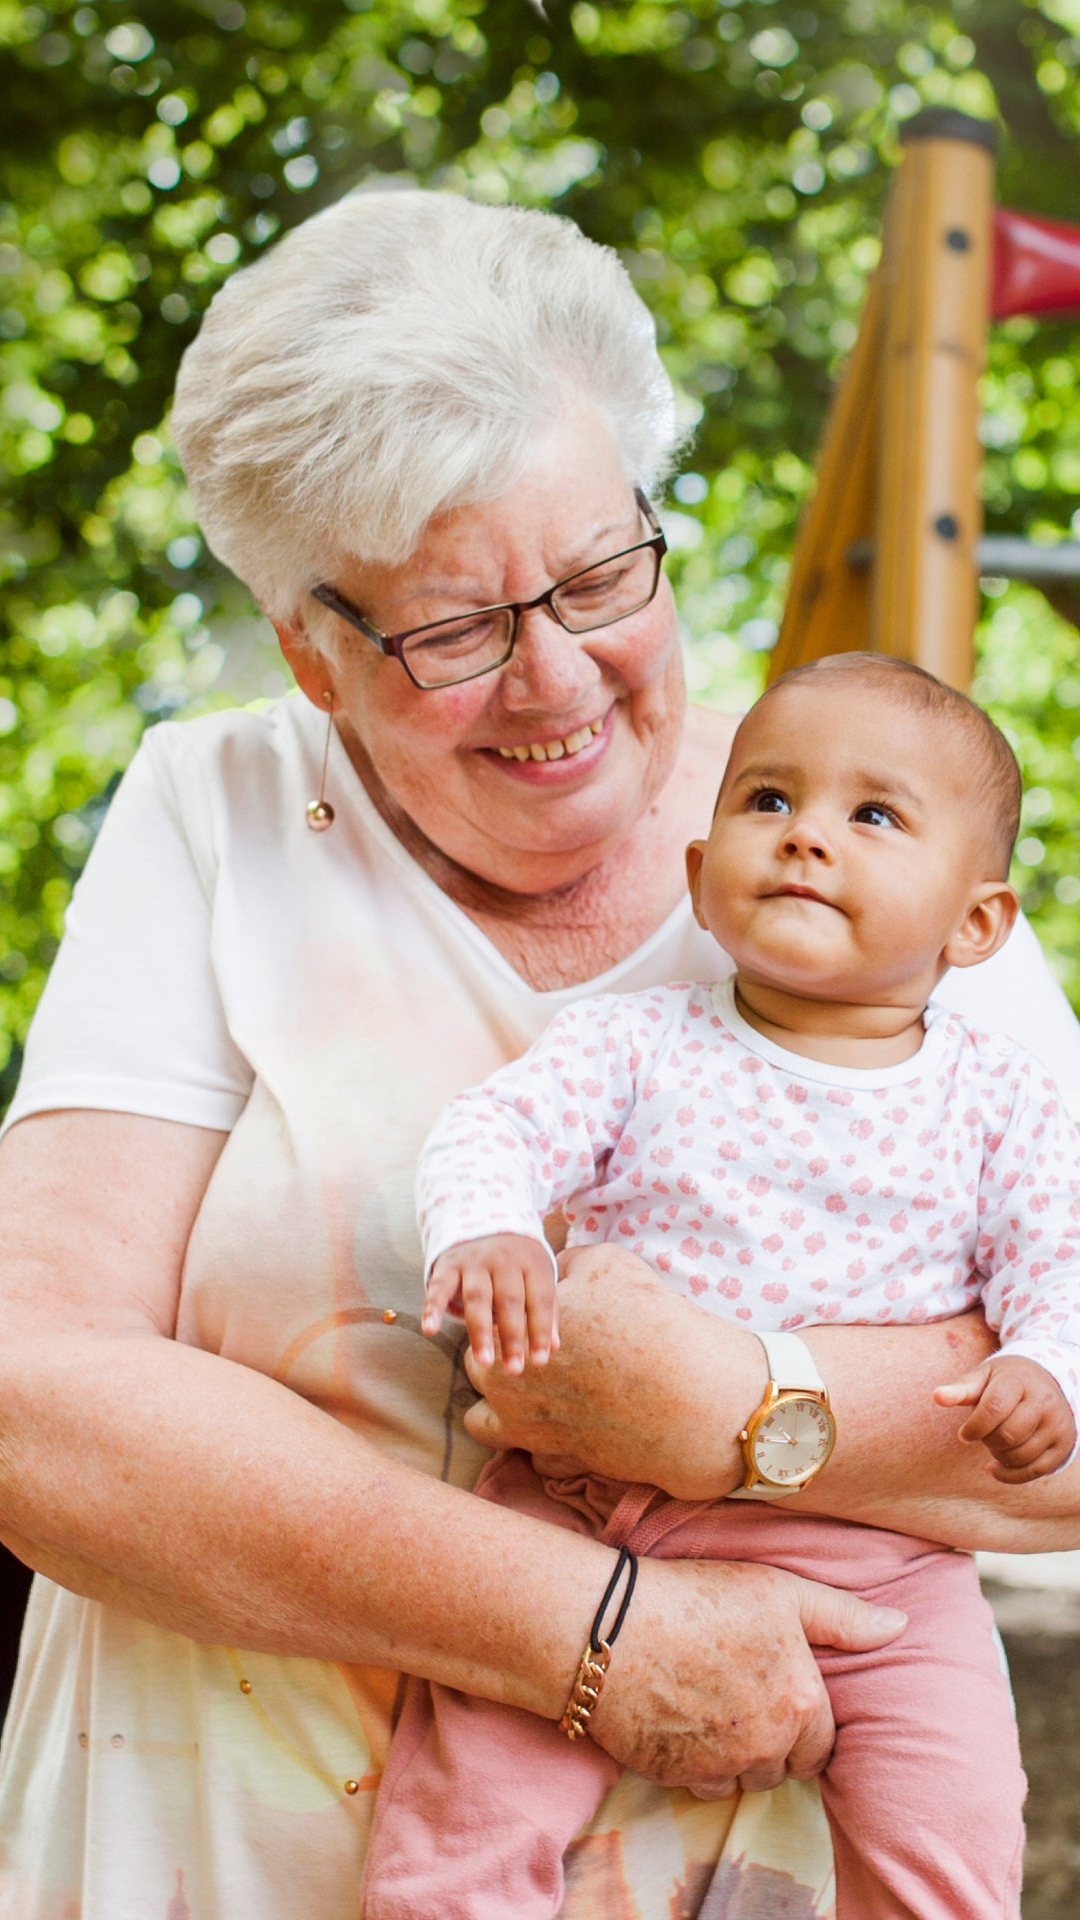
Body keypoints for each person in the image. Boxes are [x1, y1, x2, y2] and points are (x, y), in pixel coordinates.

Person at [1, 189, 1080, 1920]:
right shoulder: (222, 815)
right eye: (452, 629)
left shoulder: (878, 837)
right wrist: (590, 1632)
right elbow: (35, 1400)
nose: (556, 675)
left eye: (597, 575)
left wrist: (743, 1413)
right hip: (223, 1852)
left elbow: (1071, 1389)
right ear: (313, 650)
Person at [368, 653, 1080, 1920]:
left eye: (872, 815)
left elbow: (1060, 1262)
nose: (806, 836)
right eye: (766, 801)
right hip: (586, 1513)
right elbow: (494, 1132)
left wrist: (1046, 1367)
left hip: (881, 1553)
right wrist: (490, 1230)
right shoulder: (634, 1044)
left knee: (954, 1804)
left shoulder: (1001, 1101)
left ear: (976, 924)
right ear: (701, 881)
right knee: (472, 1790)